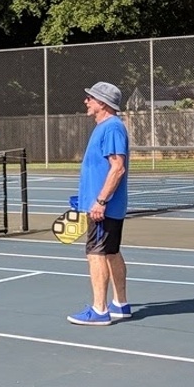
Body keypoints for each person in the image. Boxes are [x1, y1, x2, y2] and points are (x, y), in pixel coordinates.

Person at [67, 82, 131, 326]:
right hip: (101, 205)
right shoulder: (105, 127)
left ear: (102, 103)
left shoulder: (112, 128)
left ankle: (99, 310)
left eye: (90, 98)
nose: (86, 101)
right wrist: (85, 199)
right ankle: (120, 305)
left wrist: (100, 201)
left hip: (104, 208)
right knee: (111, 252)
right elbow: (99, 169)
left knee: (97, 253)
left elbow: (117, 168)